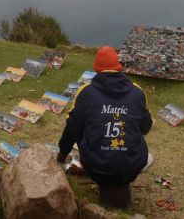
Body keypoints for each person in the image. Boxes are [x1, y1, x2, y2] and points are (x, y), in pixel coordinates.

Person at [57, 46, 153, 209]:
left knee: (82, 126)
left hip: (95, 167)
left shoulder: (85, 92)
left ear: (97, 69)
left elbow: (72, 128)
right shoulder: (138, 92)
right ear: (118, 66)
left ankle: (106, 191)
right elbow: (145, 128)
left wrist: (61, 156)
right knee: (149, 156)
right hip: (131, 168)